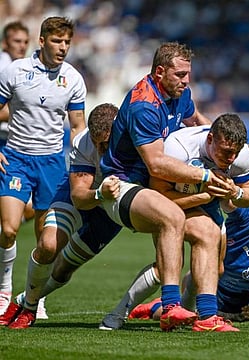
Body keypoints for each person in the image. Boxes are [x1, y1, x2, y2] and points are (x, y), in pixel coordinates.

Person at [99, 41, 233, 332]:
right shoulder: (144, 105)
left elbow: (200, 124)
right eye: (180, 75)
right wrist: (207, 178)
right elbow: (157, 164)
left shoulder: (179, 94)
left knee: (209, 231)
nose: (187, 81)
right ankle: (171, 307)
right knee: (170, 215)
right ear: (160, 72)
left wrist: (232, 148)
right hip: (121, 186)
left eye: (188, 74)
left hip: (155, 190)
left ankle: (207, 316)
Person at [99, 116, 249, 331]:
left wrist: (236, 192)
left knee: (214, 257)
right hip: (167, 202)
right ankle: (119, 314)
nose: (230, 158)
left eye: (235, 152)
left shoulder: (240, 154)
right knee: (166, 266)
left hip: (203, 202)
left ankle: (202, 316)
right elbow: (159, 197)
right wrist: (203, 196)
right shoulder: (179, 148)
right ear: (210, 139)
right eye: (225, 152)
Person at [0, 103, 121, 329]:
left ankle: (24, 301)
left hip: (109, 210)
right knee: (47, 245)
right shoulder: (82, 142)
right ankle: (30, 309)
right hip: (82, 193)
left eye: (105, 143)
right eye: (97, 143)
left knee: (63, 269)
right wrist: (99, 193)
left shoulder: (134, 140)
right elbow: (79, 197)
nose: (100, 149)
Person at [0, 16, 86, 316]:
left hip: (51, 163)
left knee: (45, 240)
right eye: (57, 41)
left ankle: (36, 298)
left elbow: (77, 126)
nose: (63, 48)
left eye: (67, 43)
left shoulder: (74, 78)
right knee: (9, 229)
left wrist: (80, 162)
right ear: (42, 41)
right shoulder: (15, 70)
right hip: (16, 158)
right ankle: (4, 287)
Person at [128, 201, 249, 325]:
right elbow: (227, 200)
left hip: (236, 306)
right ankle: (155, 308)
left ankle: (167, 306)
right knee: (187, 319)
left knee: (201, 319)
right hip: (203, 283)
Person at [0, 21, 35, 233]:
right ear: (5, 43)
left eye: (25, 42)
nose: (21, 46)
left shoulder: (24, 68)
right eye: (16, 41)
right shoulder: (4, 68)